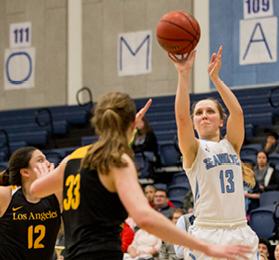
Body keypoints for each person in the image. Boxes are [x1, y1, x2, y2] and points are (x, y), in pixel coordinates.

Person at [30, 92, 251, 260]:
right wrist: (205, 247)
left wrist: (42, 175)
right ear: (133, 124)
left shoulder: (72, 160)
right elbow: (144, 217)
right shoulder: (117, 161)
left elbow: (35, 190)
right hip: (102, 253)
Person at [170, 46, 259, 259]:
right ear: (194, 122)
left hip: (239, 229)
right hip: (207, 232)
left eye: (210, 111)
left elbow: (237, 112)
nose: (204, 115)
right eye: (199, 113)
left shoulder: (232, 145)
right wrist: (183, 75)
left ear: (221, 121)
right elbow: (181, 118)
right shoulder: (194, 150)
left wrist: (216, 79)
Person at [0, 147, 61, 260]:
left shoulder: (57, 195)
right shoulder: (6, 196)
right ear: (25, 172)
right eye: (40, 160)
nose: (48, 163)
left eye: (46, 159)